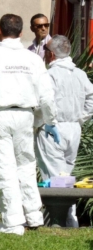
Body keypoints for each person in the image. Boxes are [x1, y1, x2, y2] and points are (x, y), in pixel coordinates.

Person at [0, 14, 59, 235]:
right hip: (25, 114)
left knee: (3, 167)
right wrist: (50, 120)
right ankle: (33, 215)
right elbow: (47, 95)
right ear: (21, 32)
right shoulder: (33, 59)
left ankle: (12, 221)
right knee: (26, 165)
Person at [35, 35, 93, 227]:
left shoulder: (49, 75)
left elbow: (44, 102)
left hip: (54, 127)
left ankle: (59, 221)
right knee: (66, 175)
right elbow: (91, 102)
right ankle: (69, 219)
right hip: (73, 129)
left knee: (54, 177)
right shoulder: (80, 74)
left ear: (51, 55)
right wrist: (79, 119)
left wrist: (40, 123)